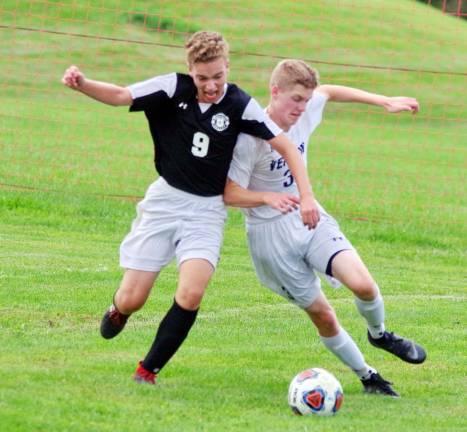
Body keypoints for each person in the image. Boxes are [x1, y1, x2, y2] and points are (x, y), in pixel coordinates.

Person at [61, 32, 320, 385]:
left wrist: (306, 197)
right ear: (190, 72)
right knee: (133, 298)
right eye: (202, 78)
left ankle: (146, 371)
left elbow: (288, 148)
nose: (211, 86)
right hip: (165, 202)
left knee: (192, 292)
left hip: (207, 211)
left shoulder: (241, 104)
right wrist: (83, 84)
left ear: (227, 67)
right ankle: (118, 309)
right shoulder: (172, 88)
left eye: (218, 76)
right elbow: (122, 95)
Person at [224, 59, 426, 397]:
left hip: (309, 217)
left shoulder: (307, 107)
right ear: (274, 92)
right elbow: (229, 193)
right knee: (324, 315)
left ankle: (379, 334)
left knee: (363, 284)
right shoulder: (250, 136)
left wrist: (384, 100)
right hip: (270, 238)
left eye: (306, 100)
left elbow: (330, 92)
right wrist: (267, 197)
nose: (303, 108)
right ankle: (368, 377)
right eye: (296, 100)